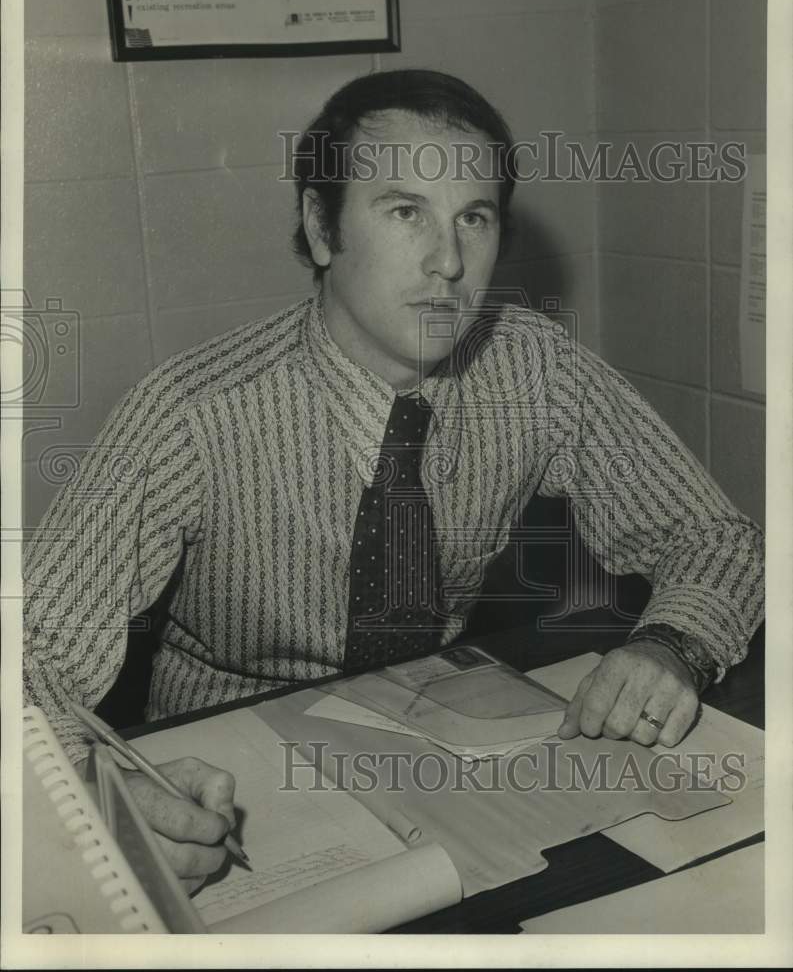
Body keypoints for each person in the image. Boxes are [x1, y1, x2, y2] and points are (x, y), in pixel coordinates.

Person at [23, 69, 764, 891]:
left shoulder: (535, 366)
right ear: (319, 226)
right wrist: (100, 790)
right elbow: (27, 654)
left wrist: (672, 646)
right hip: (229, 769)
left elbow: (714, 539)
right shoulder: (190, 413)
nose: (446, 261)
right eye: (405, 210)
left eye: (472, 219)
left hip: (445, 740)